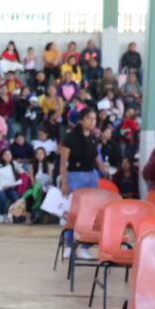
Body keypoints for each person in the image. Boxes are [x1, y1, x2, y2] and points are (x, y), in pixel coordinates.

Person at [59, 107, 109, 259]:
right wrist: (64, 183)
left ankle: (85, 247)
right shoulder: (71, 137)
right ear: (81, 120)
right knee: (73, 211)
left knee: (91, 212)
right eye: (89, 118)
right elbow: (63, 162)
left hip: (91, 175)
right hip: (75, 175)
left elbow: (96, 157)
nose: (92, 121)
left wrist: (103, 170)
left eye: (94, 119)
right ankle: (69, 245)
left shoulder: (94, 137)